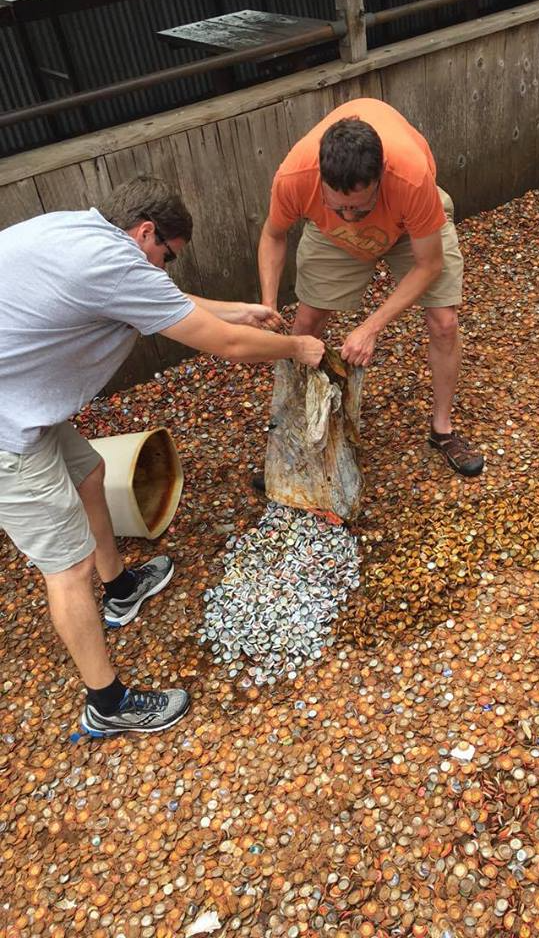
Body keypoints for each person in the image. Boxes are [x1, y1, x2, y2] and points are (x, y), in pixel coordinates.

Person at [0, 175, 324, 739]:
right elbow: (226, 346)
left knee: (91, 473)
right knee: (67, 568)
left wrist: (238, 310)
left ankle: (121, 588)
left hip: (21, 397)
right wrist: (297, 346)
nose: (164, 269)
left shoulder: (79, 232)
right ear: (146, 232)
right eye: (167, 257)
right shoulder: (112, 265)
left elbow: (155, 299)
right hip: (8, 431)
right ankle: (107, 704)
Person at [258, 97, 484, 478]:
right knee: (306, 323)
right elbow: (273, 235)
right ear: (321, 180)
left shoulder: (410, 177)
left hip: (408, 226)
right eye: (339, 207)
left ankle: (442, 431)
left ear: (381, 176)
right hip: (331, 238)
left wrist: (371, 327)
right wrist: (268, 303)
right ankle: (294, 436)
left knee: (444, 322)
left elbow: (429, 265)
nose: (351, 217)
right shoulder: (295, 176)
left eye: (359, 209)